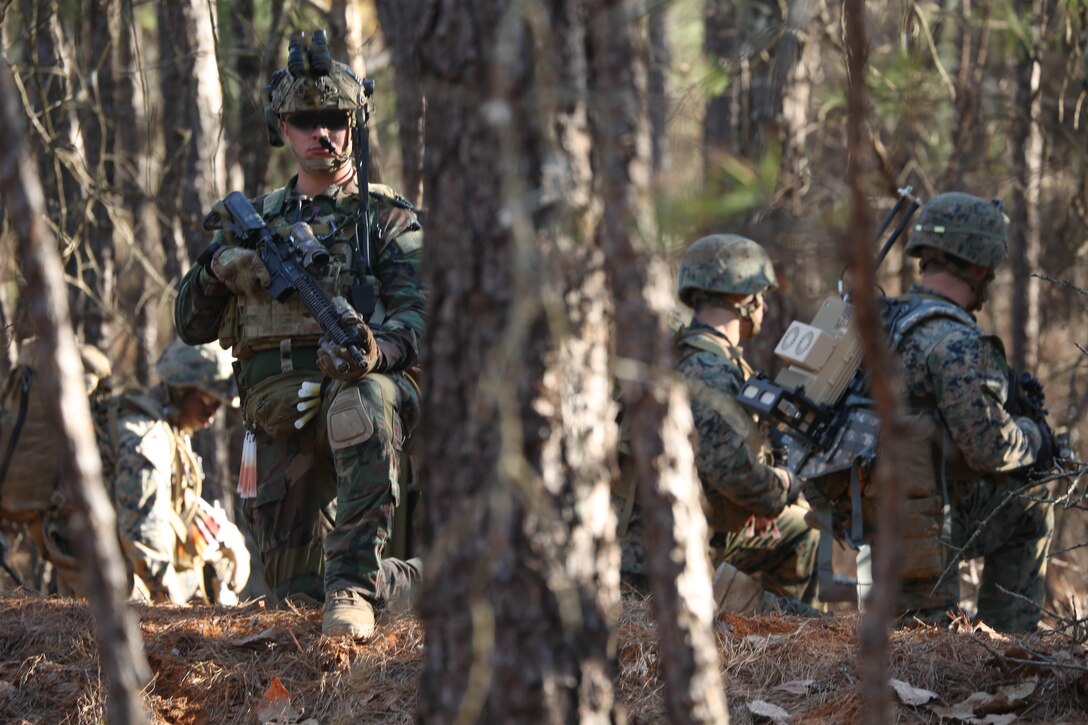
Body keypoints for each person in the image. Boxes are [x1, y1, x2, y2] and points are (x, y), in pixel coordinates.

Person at [174, 30, 423, 641]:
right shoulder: (252, 223)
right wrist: (214, 270)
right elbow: (189, 324)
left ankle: (357, 589)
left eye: (336, 120)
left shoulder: (387, 217)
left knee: (363, 403)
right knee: (295, 600)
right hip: (279, 417)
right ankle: (416, 580)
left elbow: (421, 321)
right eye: (307, 121)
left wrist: (375, 352)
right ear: (281, 128)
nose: (323, 135)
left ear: (355, 125)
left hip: (366, 399)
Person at [617, 234, 819, 613]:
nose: (766, 308)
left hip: (675, 533)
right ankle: (776, 646)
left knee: (799, 530)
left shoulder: (690, 352)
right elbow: (734, 473)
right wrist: (786, 485)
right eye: (762, 294)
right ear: (745, 299)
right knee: (811, 621)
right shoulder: (708, 370)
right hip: (656, 563)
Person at [882, 191, 1052, 632]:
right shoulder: (955, 342)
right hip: (919, 526)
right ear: (980, 266)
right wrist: (1035, 435)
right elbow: (992, 450)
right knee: (1033, 505)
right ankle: (1008, 651)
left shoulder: (881, 320)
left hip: (861, 512)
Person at [112, 338, 250, 605]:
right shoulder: (148, 441)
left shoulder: (171, 430)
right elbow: (145, 544)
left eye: (218, 404)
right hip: (116, 583)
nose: (212, 413)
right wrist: (175, 611)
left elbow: (179, 505)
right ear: (181, 389)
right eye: (208, 399)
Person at [0, 338, 113, 595]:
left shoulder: (22, 392)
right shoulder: (75, 393)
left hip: (33, 508)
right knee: (90, 595)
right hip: (59, 511)